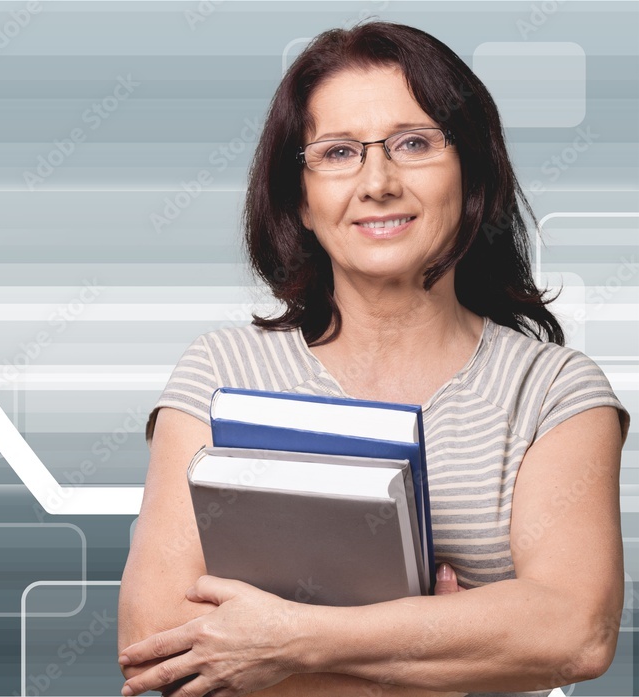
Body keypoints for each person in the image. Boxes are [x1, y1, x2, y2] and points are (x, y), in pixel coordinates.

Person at [117, 20, 630, 697]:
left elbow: (574, 630)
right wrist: (439, 657)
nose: (378, 181)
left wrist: (286, 639)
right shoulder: (220, 373)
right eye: (336, 153)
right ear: (298, 197)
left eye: (413, 143)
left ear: (471, 170)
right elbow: (154, 635)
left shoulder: (553, 391)